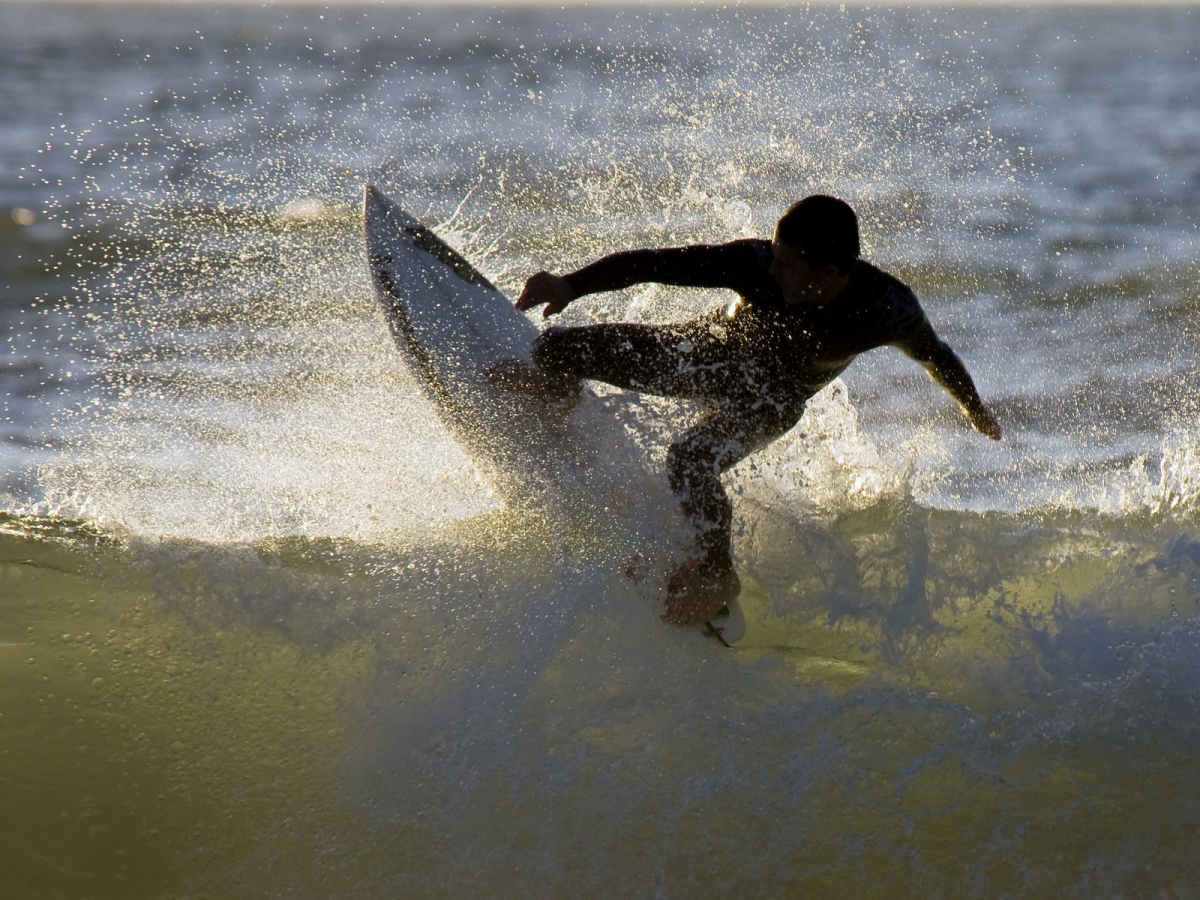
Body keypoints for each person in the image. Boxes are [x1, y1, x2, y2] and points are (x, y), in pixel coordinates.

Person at [492, 195, 1001, 626]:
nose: (772, 268)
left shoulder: (884, 309)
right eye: (775, 256)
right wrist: (570, 285)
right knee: (558, 349)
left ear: (829, 273)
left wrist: (974, 410)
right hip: (705, 355)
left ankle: (716, 575)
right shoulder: (755, 265)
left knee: (690, 459)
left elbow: (936, 354)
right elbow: (655, 264)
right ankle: (556, 391)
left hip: (769, 403)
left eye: (788, 265)